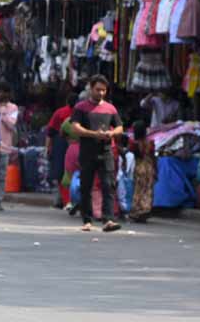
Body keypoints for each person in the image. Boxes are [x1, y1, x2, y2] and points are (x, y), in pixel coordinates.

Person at [69, 75, 123, 233]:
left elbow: (120, 127)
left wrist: (111, 134)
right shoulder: (81, 107)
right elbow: (75, 127)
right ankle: (87, 220)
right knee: (86, 186)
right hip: (87, 152)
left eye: (104, 90)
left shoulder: (110, 108)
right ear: (91, 89)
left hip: (106, 151)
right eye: (98, 89)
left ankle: (108, 220)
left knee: (108, 185)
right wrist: (94, 134)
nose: (101, 93)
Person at [0, 82, 19, 211]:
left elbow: (11, 125)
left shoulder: (13, 108)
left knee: (1, 174)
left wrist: (2, 112)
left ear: (6, 94)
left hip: (5, 147)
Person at [46, 93, 75, 209]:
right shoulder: (82, 112)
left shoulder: (60, 112)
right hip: (73, 144)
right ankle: (67, 200)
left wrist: (48, 147)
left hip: (60, 144)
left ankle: (65, 200)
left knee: (61, 173)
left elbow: (50, 131)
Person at [130, 123, 156, 222]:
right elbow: (153, 156)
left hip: (139, 167)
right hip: (149, 167)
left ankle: (136, 211)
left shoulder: (134, 143)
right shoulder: (150, 142)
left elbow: (134, 154)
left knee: (138, 189)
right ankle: (145, 210)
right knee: (148, 189)